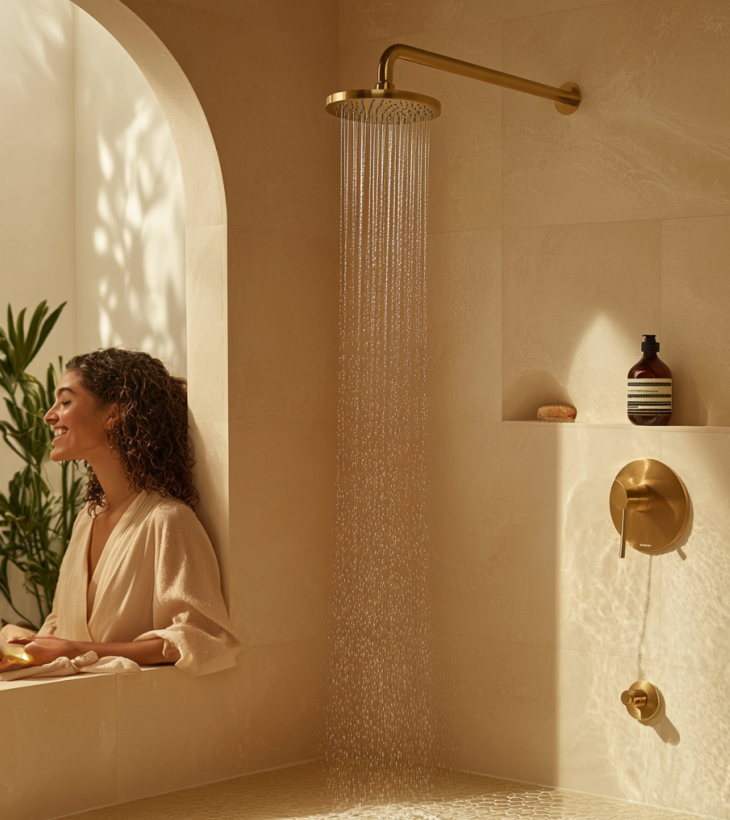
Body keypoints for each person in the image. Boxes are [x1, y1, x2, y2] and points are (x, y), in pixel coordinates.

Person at [0, 349, 239, 676]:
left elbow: (201, 637)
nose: (49, 415)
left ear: (113, 414)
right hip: (72, 712)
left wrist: (77, 650)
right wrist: (26, 646)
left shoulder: (167, 520)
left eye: (66, 402)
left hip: (131, 719)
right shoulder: (87, 519)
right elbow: (61, 622)